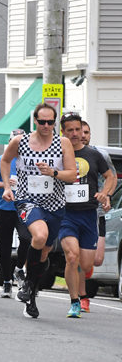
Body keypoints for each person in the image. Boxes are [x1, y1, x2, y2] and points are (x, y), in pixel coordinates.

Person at [0, 103, 77, 319]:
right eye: (41, 121)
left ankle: (29, 290)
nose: (45, 125)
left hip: (55, 204)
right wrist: (7, 186)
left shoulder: (63, 144)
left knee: (44, 252)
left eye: (50, 122)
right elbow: (5, 161)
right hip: (27, 199)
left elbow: (72, 175)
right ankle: (26, 283)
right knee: (39, 235)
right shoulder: (21, 141)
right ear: (35, 120)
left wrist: (53, 172)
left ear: (55, 123)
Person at [58, 114, 115, 317]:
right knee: (71, 256)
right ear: (63, 132)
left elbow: (110, 177)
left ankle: (78, 292)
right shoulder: (57, 154)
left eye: (78, 130)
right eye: (70, 130)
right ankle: (75, 301)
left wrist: (105, 193)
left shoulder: (94, 155)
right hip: (66, 214)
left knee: (87, 264)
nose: (75, 134)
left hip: (89, 215)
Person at [0, 129, 30, 298]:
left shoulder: (30, 161)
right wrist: (4, 184)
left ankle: (19, 268)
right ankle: (6, 282)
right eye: (14, 143)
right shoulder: (1, 160)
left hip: (25, 207)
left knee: (27, 238)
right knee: (4, 245)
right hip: (6, 207)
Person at [79, 120, 116, 312]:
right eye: (79, 131)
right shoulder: (68, 154)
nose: (83, 135)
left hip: (96, 212)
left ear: (90, 134)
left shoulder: (99, 155)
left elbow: (112, 177)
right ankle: (82, 297)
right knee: (76, 256)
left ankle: (80, 279)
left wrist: (106, 196)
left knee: (96, 259)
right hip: (74, 212)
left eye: (86, 132)